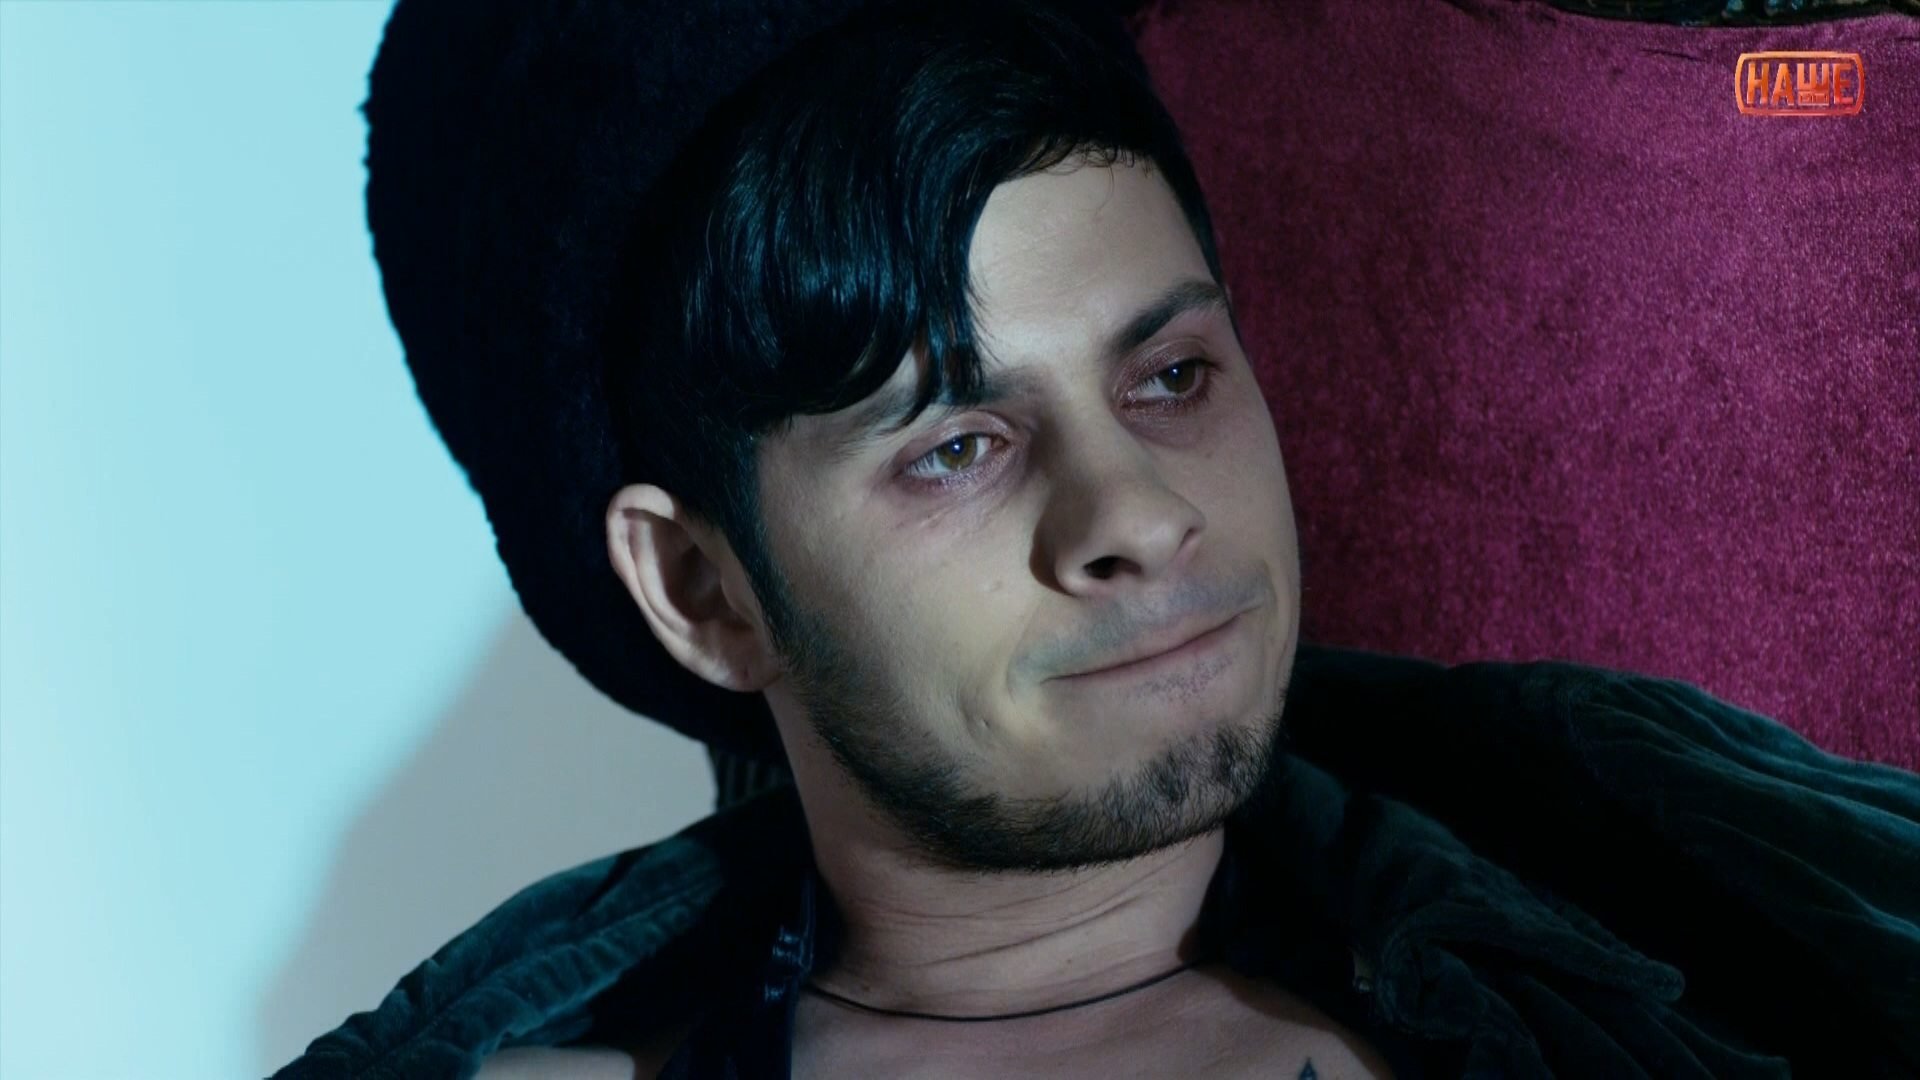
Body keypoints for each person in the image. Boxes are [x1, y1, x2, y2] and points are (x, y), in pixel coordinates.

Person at [275, 0, 1920, 1076]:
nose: (1136, 511)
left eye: (1171, 377)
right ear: (704, 589)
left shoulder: (1748, 943)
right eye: (957, 448)